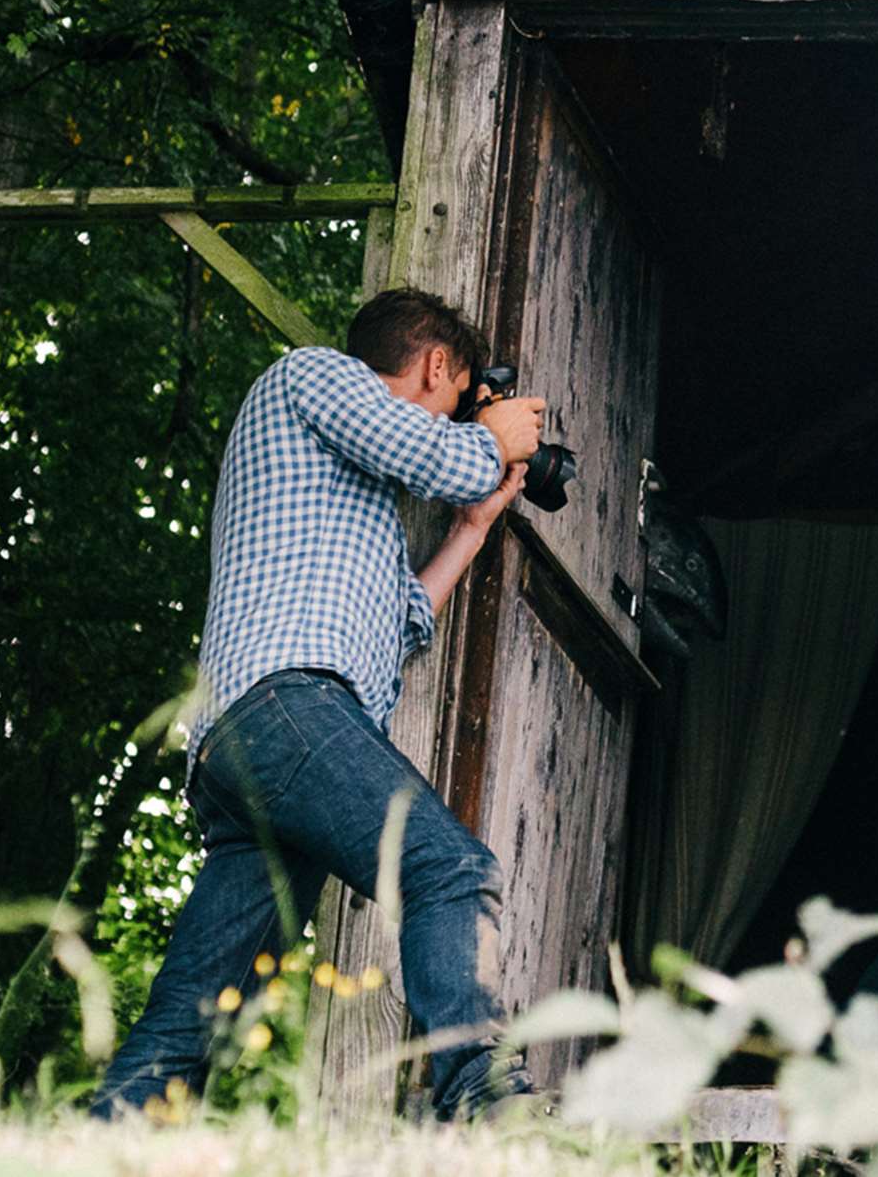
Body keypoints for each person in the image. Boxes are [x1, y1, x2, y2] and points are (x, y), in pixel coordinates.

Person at [93, 289, 548, 1121]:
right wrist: (493, 437)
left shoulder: (351, 502)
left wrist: (473, 531)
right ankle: (482, 1100)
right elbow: (441, 456)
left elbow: (408, 619)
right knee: (448, 867)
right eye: (452, 400)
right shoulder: (314, 376)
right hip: (285, 703)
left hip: (267, 746)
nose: (449, 424)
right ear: (436, 366)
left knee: (191, 1023)